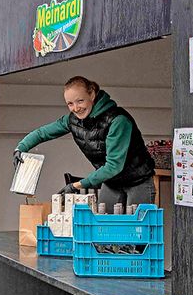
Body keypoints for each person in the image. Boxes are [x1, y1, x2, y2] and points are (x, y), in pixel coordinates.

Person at [13, 76, 156, 208]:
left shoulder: (118, 121)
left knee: (137, 231)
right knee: (103, 228)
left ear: (92, 95)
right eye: (70, 104)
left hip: (138, 181)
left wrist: (76, 185)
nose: (76, 108)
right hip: (111, 182)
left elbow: (113, 166)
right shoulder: (72, 120)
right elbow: (42, 133)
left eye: (80, 101)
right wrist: (21, 148)